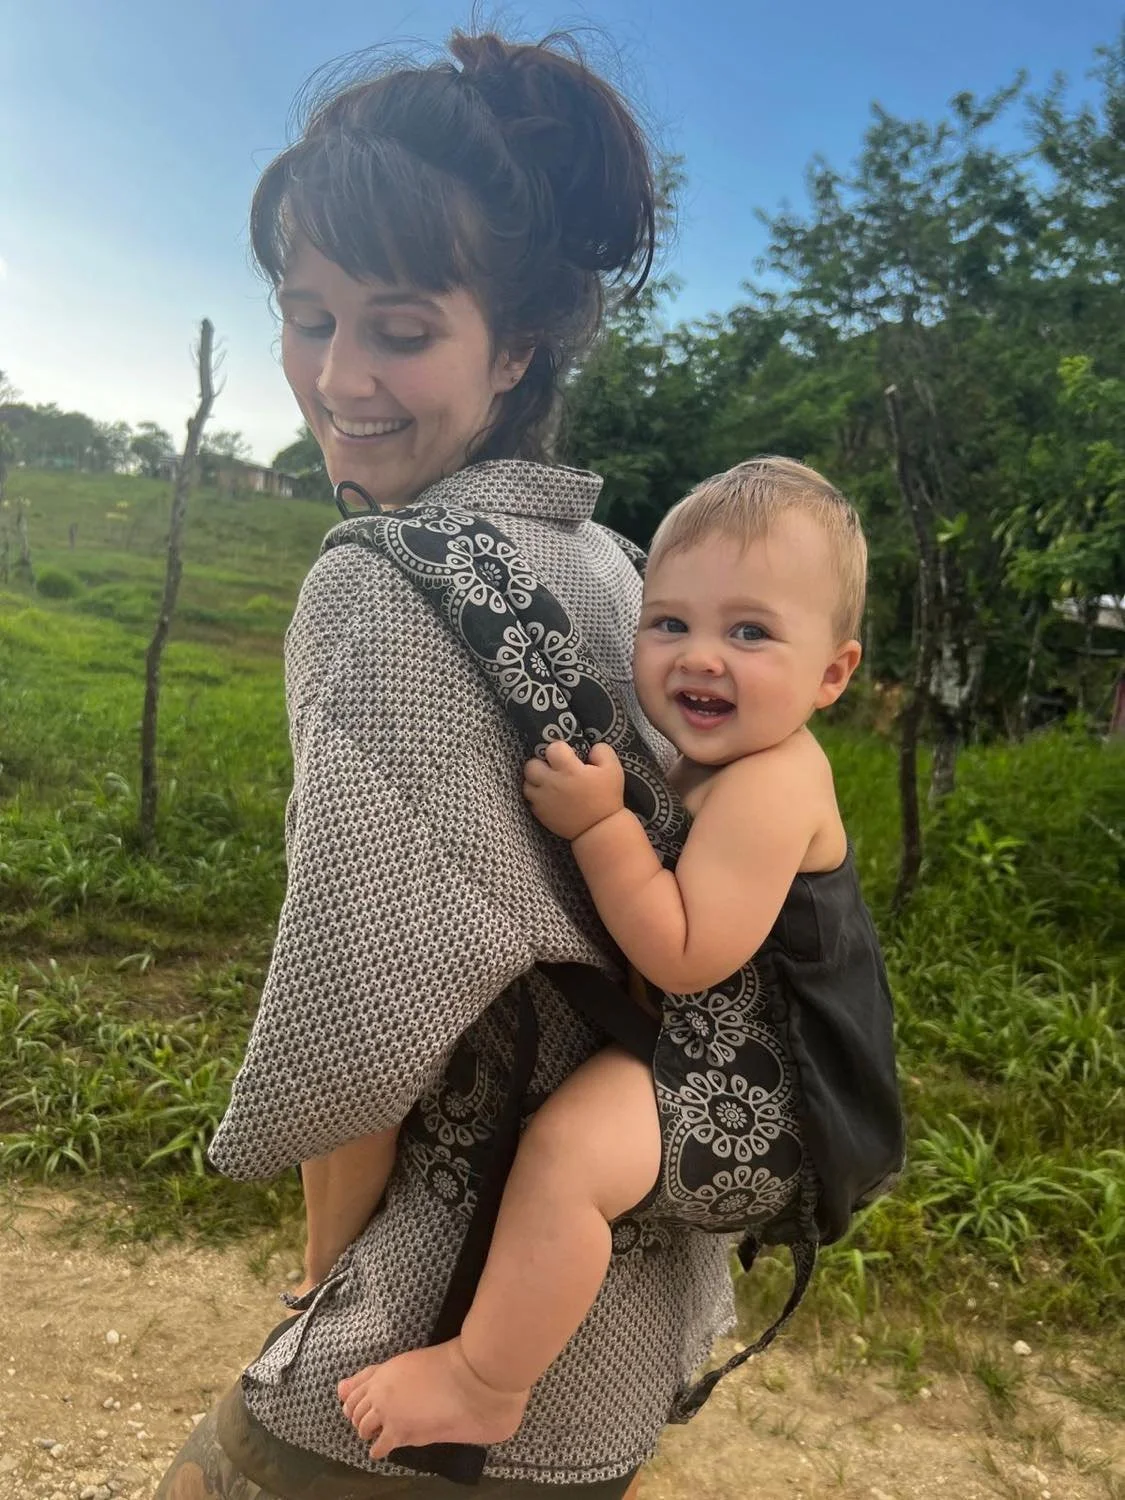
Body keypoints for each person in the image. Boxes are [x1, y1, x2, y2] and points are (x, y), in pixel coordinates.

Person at [155, 28, 735, 1500]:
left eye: (399, 331)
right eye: (307, 317)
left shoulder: (378, 586)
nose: (338, 376)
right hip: (622, 1303)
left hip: (438, 1330)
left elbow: (354, 1021)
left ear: (515, 349)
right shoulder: (618, 569)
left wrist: (326, 1275)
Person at [337, 457, 869, 1457]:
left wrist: (600, 826)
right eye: (669, 623)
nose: (700, 658)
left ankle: (484, 1382)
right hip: (725, 1053)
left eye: (749, 633)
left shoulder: (773, 783)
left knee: (569, 1156)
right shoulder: (713, 758)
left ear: (832, 673)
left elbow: (682, 953)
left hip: (775, 1099)